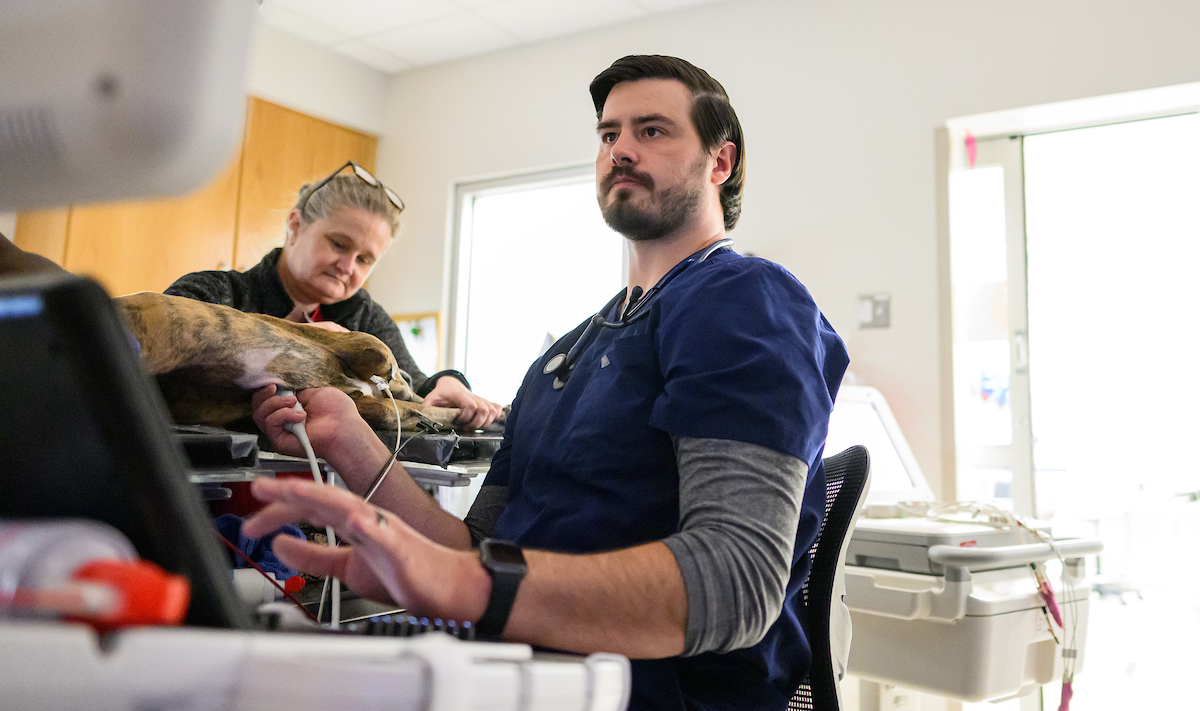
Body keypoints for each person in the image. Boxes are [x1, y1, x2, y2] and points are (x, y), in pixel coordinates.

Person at [243, 55, 849, 711]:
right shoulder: (566, 355)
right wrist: (349, 443)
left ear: (720, 163)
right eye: (608, 133)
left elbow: (736, 582)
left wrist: (468, 586)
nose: (620, 150)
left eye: (652, 131)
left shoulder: (743, 301)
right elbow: (476, 548)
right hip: (515, 674)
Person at [165, 162, 502, 430]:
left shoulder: (364, 316)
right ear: (295, 225)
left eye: (365, 259)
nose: (347, 265)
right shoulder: (211, 291)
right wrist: (304, 340)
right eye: (339, 244)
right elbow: (154, 357)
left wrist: (447, 384)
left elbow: (411, 380)